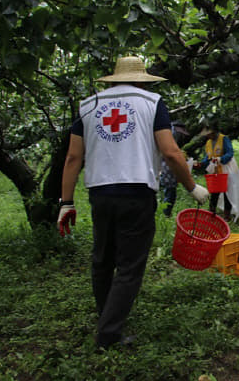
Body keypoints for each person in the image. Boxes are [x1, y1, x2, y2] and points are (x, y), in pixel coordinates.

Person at [57, 56, 210, 350]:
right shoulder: (152, 103)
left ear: (113, 79)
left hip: (100, 194)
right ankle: (109, 335)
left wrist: (66, 202)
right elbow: (171, 153)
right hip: (136, 193)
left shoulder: (88, 105)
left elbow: (73, 157)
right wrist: (192, 187)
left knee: (102, 261)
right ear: (141, 79)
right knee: (129, 266)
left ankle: (106, 319)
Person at [195, 124, 239, 222]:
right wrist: (201, 164)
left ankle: (227, 215)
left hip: (227, 169)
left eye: (208, 134)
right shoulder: (208, 143)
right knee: (214, 191)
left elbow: (230, 153)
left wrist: (221, 159)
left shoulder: (223, 139)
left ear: (213, 132)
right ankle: (211, 213)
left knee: (227, 192)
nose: (207, 136)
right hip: (215, 170)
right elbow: (208, 157)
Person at [159, 121, 190, 217]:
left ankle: (165, 213)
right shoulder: (172, 133)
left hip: (165, 168)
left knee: (168, 192)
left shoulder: (168, 132)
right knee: (170, 193)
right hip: (167, 168)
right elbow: (170, 154)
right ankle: (166, 214)